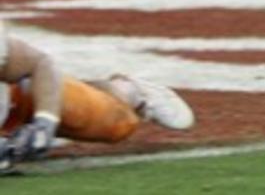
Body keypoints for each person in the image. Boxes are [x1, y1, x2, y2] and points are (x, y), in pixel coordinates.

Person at [0, 20, 194, 173]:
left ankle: (129, 91)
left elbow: (38, 64)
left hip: (16, 98)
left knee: (114, 123)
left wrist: (44, 121)